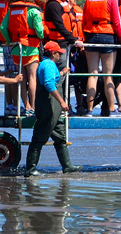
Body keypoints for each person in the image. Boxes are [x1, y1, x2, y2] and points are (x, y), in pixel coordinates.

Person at [24, 41, 82, 176]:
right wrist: (62, 102)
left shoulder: (45, 64)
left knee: (59, 135)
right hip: (48, 105)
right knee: (39, 136)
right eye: (59, 54)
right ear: (53, 53)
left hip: (51, 106)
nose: (60, 56)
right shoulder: (49, 65)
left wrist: (61, 73)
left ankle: (67, 166)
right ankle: (30, 169)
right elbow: (49, 84)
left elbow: (50, 79)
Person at [81, 0, 121, 116]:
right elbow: (117, 21)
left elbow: (84, 20)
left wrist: (83, 37)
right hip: (107, 36)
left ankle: (89, 110)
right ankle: (112, 109)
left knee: (92, 74)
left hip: (91, 36)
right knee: (108, 75)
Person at [0, 0, 45, 115]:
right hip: (31, 48)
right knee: (32, 78)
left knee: (21, 78)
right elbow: (40, 31)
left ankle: (26, 106)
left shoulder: (12, 9)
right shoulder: (34, 11)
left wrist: (9, 41)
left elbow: (3, 27)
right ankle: (34, 107)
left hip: (16, 49)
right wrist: (41, 37)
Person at [40, 0, 81, 70]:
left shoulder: (58, 3)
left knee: (64, 69)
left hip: (63, 41)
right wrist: (73, 39)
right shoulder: (54, 5)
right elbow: (59, 25)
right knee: (61, 69)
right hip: (58, 43)